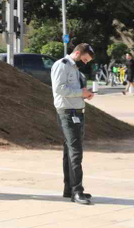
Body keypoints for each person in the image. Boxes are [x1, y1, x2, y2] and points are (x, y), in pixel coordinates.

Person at [50, 43, 96, 205]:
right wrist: (80, 93)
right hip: (68, 113)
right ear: (77, 53)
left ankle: (69, 188)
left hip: (76, 112)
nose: (85, 63)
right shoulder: (61, 65)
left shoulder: (74, 67)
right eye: (84, 59)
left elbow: (72, 89)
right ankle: (77, 191)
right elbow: (59, 89)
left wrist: (85, 94)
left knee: (70, 150)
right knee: (75, 152)